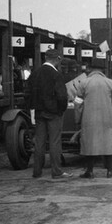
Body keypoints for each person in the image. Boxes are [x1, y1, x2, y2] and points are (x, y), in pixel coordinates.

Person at [28, 49, 72, 179]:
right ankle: (56, 171)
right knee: (54, 142)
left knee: (39, 142)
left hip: (39, 112)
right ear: (57, 59)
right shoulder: (56, 75)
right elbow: (62, 96)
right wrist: (61, 109)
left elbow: (28, 92)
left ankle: (37, 171)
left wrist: (34, 107)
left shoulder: (35, 73)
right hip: (54, 113)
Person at [74, 66, 112, 179]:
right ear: (103, 71)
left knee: (90, 144)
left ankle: (89, 171)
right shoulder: (111, 83)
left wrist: (77, 119)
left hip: (89, 119)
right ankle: (110, 171)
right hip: (108, 118)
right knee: (108, 143)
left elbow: (78, 103)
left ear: (89, 70)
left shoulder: (83, 83)